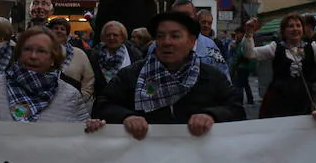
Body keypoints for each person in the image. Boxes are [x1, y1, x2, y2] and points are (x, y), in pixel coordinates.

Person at [92, 11, 245, 140]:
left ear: (192, 41)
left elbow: (236, 109)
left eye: (175, 36)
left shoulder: (211, 76)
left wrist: (212, 116)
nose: (167, 42)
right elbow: (102, 105)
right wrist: (126, 117)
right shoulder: (131, 75)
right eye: (160, 36)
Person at [0, 27, 105, 133]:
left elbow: (84, 132)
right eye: (27, 49)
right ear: (18, 53)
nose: (33, 56)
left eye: (41, 51)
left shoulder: (70, 94)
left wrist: (92, 127)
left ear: (53, 58)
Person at [243, 12, 316, 119]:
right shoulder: (275, 48)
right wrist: (249, 33)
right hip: (278, 100)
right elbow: (250, 53)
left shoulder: (312, 48)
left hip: (303, 101)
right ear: (284, 30)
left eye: (298, 25)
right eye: (290, 26)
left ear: (303, 29)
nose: (295, 29)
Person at [170, 0, 230, 80]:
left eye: (187, 15)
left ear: (194, 18)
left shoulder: (210, 45)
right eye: (178, 16)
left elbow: (223, 72)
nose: (183, 19)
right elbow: (150, 85)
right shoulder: (159, 46)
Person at [89, 21, 143, 97]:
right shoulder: (94, 55)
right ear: (103, 37)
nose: (111, 38)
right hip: (102, 101)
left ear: (122, 37)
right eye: (108, 35)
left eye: (115, 35)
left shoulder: (134, 54)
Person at [46, 17, 95, 102]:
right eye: (55, 28)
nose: (59, 31)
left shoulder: (79, 54)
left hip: (73, 103)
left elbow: (89, 79)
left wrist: (82, 98)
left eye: (62, 29)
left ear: (67, 34)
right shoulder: (41, 52)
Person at [229, 27, 255, 105]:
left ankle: (240, 101)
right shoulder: (239, 42)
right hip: (243, 66)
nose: (236, 35)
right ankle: (250, 100)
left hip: (242, 66)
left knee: (239, 85)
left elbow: (240, 54)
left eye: (238, 33)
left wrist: (234, 49)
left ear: (242, 33)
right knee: (245, 84)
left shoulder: (243, 42)